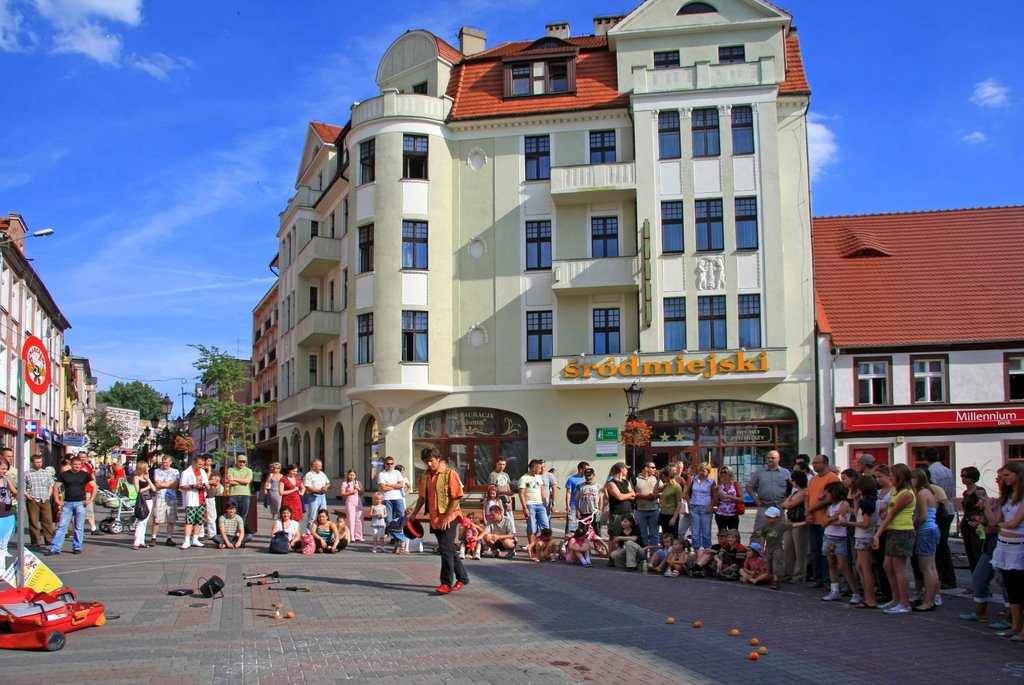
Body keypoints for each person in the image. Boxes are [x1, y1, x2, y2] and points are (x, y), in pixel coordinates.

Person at [408, 446, 469, 594]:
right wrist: (414, 513)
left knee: (445, 549)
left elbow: (457, 496)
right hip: (435, 518)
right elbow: (422, 497)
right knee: (447, 548)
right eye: (426, 461)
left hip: (450, 517)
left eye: (431, 461)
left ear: (438, 459)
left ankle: (446, 583)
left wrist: (447, 516)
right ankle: (462, 577)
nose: (429, 464)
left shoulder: (450, 473)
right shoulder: (423, 476)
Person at [874, 463, 917, 614]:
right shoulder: (895, 491)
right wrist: (885, 511)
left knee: (899, 567)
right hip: (893, 530)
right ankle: (896, 598)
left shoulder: (906, 493)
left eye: (892, 475)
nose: (890, 477)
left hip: (902, 531)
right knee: (887, 565)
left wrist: (878, 534)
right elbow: (889, 509)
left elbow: (893, 513)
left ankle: (904, 602)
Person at [991, 462, 1024, 639]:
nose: (1003, 479)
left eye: (1007, 475)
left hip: (1019, 545)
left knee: (1020, 585)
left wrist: (1000, 525)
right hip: (1003, 545)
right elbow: (995, 520)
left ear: (1018, 475)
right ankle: (1016, 625)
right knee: (1010, 587)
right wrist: (987, 507)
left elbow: (1014, 523)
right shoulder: (1008, 496)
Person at [804, 454, 840, 588]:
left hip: (825, 520)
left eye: (817, 463)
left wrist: (811, 509)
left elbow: (829, 499)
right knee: (815, 551)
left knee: (826, 552)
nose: (814, 465)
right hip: (813, 519)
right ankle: (818, 577)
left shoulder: (832, 478)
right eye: (813, 463)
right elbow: (807, 497)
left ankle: (827, 579)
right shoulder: (813, 479)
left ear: (825, 464)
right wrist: (808, 512)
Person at [844, 476, 880, 608]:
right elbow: (858, 512)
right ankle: (868, 596)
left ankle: (870, 598)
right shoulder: (871, 501)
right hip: (863, 536)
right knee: (860, 566)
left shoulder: (867, 503)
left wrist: (848, 523)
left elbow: (865, 523)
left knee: (865, 568)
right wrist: (856, 500)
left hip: (864, 536)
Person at [820, 481, 859, 603]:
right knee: (831, 563)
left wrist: (831, 519)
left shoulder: (844, 503)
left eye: (827, 493)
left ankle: (855, 592)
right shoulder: (830, 507)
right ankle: (834, 590)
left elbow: (840, 520)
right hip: (828, 536)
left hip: (840, 538)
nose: (825, 495)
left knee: (843, 566)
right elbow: (824, 523)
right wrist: (832, 519)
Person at [47, 456, 94, 556]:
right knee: (62, 526)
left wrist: (90, 500)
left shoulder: (85, 475)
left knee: (79, 527)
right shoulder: (64, 475)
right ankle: (55, 548)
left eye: (79, 464)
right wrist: (57, 500)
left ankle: (77, 547)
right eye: (75, 464)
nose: (77, 466)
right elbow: (56, 487)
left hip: (80, 503)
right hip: (68, 503)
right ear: (71, 465)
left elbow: (94, 486)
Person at [924, 448, 957, 589]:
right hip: (949, 507)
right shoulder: (947, 470)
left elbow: (933, 491)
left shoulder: (932, 472)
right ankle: (945, 577)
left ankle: (945, 578)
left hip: (940, 509)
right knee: (942, 545)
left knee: (939, 546)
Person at [909, 468, 941, 612]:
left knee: (927, 568)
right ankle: (932, 598)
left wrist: (912, 527)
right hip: (931, 530)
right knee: (931, 567)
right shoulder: (930, 492)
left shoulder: (922, 493)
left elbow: (922, 517)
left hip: (925, 531)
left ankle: (929, 601)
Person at [745, 450, 791, 539]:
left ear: (778, 459)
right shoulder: (760, 472)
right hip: (764, 506)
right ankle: (755, 551)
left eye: (773, 458)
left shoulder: (785, 473)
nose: (770, 460)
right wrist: (756, 500)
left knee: (778, 532)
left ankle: (777, 551)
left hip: (779, 506)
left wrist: (787, 501)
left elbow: (791, 488)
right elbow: (749, 486)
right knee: (759, 532)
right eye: (768, 458)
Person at [761, 506, 801, 590]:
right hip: (769, 548)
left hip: (777, 548)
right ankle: (772, 579)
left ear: (776, 518)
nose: (768, 519)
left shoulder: (780, 526)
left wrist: (805, 523)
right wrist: (762, 547)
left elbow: (792, 525)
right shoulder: (765, 527)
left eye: (770, 517)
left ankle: (776, 581)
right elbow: (763, 537)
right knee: (769, 564)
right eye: (767, 517)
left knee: (776, 564)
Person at [781, 470, 808, 583]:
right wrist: (787, 503)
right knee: (788, 547)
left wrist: (787, 503)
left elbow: (790, 504)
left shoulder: (804, 493)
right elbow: (783, 504)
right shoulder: (795, 492)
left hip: (799, 522)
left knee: (799, 549)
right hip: (790, 521)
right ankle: (788, 572)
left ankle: (799, 574)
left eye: (793, 480)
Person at [178, 455, 210, 550]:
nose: (201, 466)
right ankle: (186, 540)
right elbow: (182, 486)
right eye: (199, 464)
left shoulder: (203, 472)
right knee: (189, 520)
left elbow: (206, 483)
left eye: (202, 464)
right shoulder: (186, 473)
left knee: (200, 520)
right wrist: (193, 486)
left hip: (201, 499)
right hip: (191, 499)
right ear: (194, 462)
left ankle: (195, 539)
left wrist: (206, 486)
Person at [960, 466, 987, 575]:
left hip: (977, 525)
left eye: (967, 476)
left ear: (973, 478)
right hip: (966, 524)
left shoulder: (979, 491)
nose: (964, 478)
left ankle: (981, 580)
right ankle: (974, 579)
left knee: (978, 552)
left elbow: (985, 506)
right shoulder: (966, 493)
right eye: (962, 476)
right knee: (970, 552)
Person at [24, 454, 55, 549]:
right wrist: (28, 497)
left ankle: (49, 540)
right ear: (32, 463)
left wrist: (48, 495)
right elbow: (22, 487)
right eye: (37, 462)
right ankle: (35, 541)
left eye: (40, 462)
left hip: (44, 499)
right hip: (33, 499)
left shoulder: (46, 473)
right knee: (34, 521)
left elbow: (51, 485)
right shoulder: (27, 473)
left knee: (47, 521)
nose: (39, 464)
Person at [684, 462, 717, 551]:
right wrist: (689, 503)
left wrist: (711, 506)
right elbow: (686, 493)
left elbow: (714, 495)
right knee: (695, 531)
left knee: (706, 531)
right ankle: (696, 550)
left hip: (705, 506)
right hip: (694, 506)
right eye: (700, 470)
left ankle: (706, 550)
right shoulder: (693, 479)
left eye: (703, 471)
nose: (701, 472)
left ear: (708, 472)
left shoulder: (711, 481)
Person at [151, 455, 180, 546]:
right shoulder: (157, 471)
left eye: (167, 462)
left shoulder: (175, 471)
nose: (165, 464)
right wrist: (169, 484)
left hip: (172, 497)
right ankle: (153, 538)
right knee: (157, 519)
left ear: (170, 462)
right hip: (160, 497)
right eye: (163, 462)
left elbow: (175, 485)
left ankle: (169, 538)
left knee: (171, 520)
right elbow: (157, 484)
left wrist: (163, 484)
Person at [519, 459, 549, 545]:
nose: (541, 470)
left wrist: (545, 503)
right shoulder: (524, 478)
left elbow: (542, 490)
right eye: (539, 468)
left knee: (545, 527)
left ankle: (546, 547)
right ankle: (532, 547)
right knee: (532, 527)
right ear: (533, 468)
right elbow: (521, 494)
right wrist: (525, 508)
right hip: (530, 505)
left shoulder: (538, 477)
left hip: (540, 505)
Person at [604, 462, 635, 540]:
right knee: (615, 537)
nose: (627, 471)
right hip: (617, 514)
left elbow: (633, 496)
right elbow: (619, 497)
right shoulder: (611, 483)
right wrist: (628, 494)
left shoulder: (626, 482)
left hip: (628, 512)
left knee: (628, 535)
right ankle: (612, 552)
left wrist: (625, 495)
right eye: (626, 469)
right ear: (621, 469)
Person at [634, 461, 661, 548]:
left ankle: (653, 557)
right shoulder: (635, 479)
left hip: (654, 510)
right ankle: (643, 558)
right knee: (642, 535)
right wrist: (644, 496)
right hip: (640, 511)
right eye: (653, 467)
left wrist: (654, 496)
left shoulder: (656, 479)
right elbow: (631, 493)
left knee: (654, 535)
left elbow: (662, 491)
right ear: (646, 468)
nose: (655, 469)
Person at [132, 461, 155, 550]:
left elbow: (154, 488)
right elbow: (138, 490)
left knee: (145, 522)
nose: (148, 468)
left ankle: (142, 541)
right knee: (141, 521)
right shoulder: (136, 477)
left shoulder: (146, 477)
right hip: (142, 501)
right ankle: (136, 542)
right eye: (147, 467)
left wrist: (148, 479)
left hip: (149, 500)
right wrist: (147, 487)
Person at [302, 459, 331, 533]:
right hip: (314, 496)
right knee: (313, 515)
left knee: (324, 513)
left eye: (321, 466)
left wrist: (325, 487)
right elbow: (307, 487)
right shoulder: (308, 475)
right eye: (318, 466)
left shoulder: (322, 474)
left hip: (322, 496)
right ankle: (309, 532)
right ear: (313, 466)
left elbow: (328, 483)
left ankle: (322, 530)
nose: (320, 468)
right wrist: (318, 490)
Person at [376, 456, 406, 526]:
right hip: (387, 498)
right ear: (385, 464)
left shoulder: (397, 472)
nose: (390, 465)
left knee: (401, 516)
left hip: (398, 497)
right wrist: (396, 486)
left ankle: (401, 533)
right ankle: (390, 532)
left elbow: (401, 485)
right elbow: (384, 488)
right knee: (388, 518)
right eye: (388, 463)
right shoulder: (381, 474)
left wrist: (389, 485)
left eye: (392, 464)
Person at [657, 467, 684, 542]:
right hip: (664, 513)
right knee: (665, 535)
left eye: (663, 477)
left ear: (668, 476)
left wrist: (674, 518)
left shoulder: (677, 487)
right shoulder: (666, 485)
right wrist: (658, 479)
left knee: (673, 535)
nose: (663, 478)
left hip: (671, 514)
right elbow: (655, 491)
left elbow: (679, 503)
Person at [714, 466, 744, 533]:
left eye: (725, 472)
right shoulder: (719, 486)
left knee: (733, 534)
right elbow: (715, 503)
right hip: (720, 514)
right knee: (722, 534)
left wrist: (728, 496)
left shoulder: (736, 484)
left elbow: (742, 499)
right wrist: (717, 497)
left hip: (733, 514)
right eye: (721, 472)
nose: (723, 474)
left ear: (730, 473)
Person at [563, 461, 589, 536]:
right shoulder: (571, 479)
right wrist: (568, 505)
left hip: (584, 506)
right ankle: (567, 543)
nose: (587, 471)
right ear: (581, 469)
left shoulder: (587, 479)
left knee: (583, 527)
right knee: (571, 527)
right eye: (586, 469)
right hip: (573, 505)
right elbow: (568, 493)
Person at [575, 468, 604, 535]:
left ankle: (598, 544)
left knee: (597, 530)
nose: (588, 477)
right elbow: (577, 499)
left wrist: (600, 510)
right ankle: (583, 545)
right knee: (583, 531)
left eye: (590, 475)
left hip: (595, 512)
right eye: (586, 475)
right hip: (584, 512)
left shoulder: (599, 486)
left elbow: (601, 499)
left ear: (593, 475)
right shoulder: (580, 486)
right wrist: (577, 510)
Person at [225, 455, 253, 521]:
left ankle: (241, 530)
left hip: (245, 495)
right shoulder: (231, 469)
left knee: (243, 514)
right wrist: (243, 482)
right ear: (237, 461)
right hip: (233, 494)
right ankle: (232, 529)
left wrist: (234, 478)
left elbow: (247, 481)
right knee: (232, 514)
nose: (242, 463)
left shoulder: (249, 470)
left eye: (244, 462)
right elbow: (230, 481)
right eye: (240, 461)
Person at [339, 470, 365, 542]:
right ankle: (351, 536)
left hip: (358, 501)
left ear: (355, 476)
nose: (352, 476)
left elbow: (362, 493)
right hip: (350, 501)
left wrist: (358, 488)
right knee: (351, 519)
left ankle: (359, 536)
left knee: (359, 519)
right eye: (350, 475)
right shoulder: (345, 483)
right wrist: (350, 492)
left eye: (353, 475)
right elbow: (342, 493)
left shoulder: (358, 483)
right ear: (347, 475)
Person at [0, 461, 16, 560]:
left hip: (6, 511)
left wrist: (15, 496)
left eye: (6, 469)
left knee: (7, 533)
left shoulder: (6, 480)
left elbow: (14, 491)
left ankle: (4, 549)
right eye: (2, 469)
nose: (4, 471)